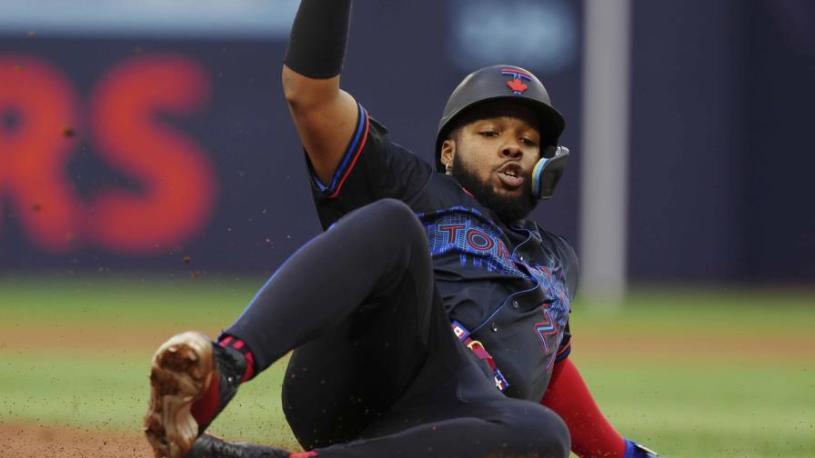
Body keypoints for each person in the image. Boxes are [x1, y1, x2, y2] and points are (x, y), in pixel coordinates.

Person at [143, 1, 658, 457]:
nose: (511, 146)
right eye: (490, 132)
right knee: (392, 221)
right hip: (362, 375)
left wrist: (624, 454)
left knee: (544, 434)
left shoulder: (557, 260)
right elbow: (309, 96)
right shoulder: (411, 185)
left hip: (456, 421)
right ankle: (220, 372)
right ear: (448, 151)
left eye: (527, 141)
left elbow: (550, 373)